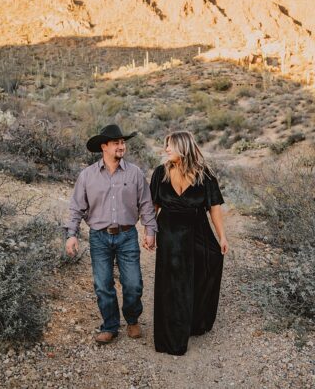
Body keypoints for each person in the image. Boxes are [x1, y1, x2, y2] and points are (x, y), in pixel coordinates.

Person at [65, 124, 157, 344]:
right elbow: (77, 206)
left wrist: (150, 230)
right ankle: (110, 326)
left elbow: (146, 204)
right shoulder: (87, 175)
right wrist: (72, 234)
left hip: (127, 236)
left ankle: (132, 319)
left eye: (123, 142)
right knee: (103, 284)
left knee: (133, 283)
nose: (121, 146)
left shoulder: (135, 173)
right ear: (104, 146)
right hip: (99, 237)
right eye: (116, 142)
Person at [150, 131, 227, 356]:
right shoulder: (160, 173)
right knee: (171, 283)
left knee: (206, 268)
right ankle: (170, 336)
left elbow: (214, 207)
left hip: (197, 232)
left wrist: (222, 236)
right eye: (166, 145)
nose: (166, 150)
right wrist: (150, 232)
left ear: (183, 147)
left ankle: (195, 320)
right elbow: (153, 205)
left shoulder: (205, 175)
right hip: (170, 234)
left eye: (170, 145)